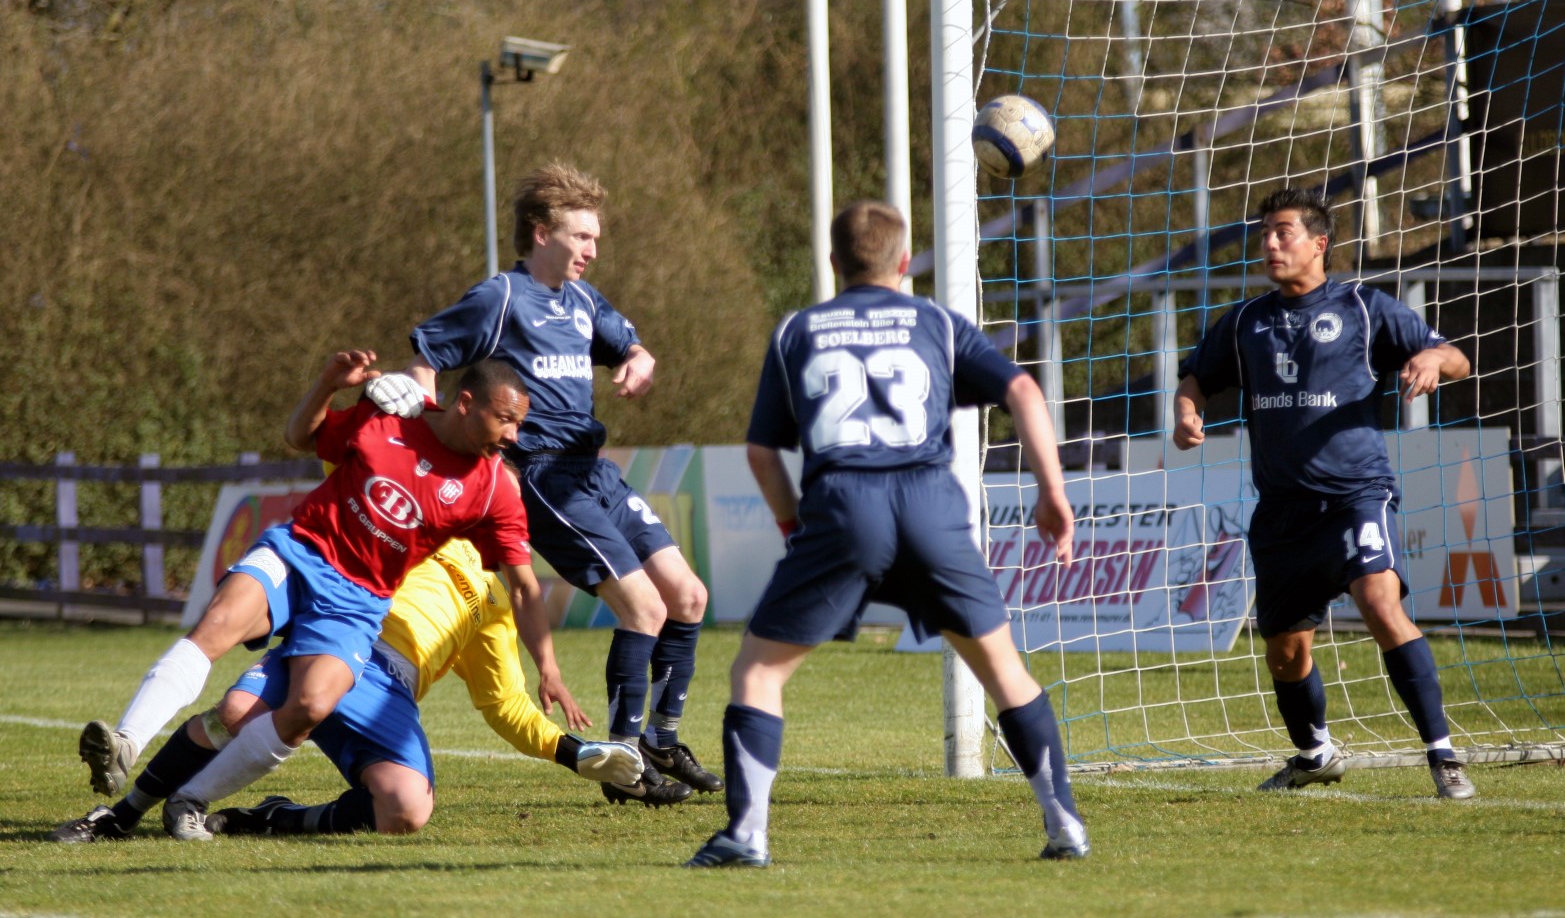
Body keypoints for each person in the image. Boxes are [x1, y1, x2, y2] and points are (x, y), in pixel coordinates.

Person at [686, 201, 1088, 869]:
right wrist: (1053, 491)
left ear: (833, 262)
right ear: (904, 262)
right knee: (1003, 670)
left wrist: (795, 529)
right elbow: (1021, 389)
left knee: (757, 670)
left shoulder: (798, 330)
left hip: (844, 505)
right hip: (931, 505)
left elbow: (761, 453)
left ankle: (747, 836)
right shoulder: (936, 321)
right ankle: (1064, 823)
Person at [75, 352, 582, 840]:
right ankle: (126, 743)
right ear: (466, 403)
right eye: (506, 420)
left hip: (357, 601)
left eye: (519, 424)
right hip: (301, 550)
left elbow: (523, 587)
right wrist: (328, 386)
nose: (513, 436)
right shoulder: (393, 415)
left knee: (311, 705)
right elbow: (301, 437)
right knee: (218, 627)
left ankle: (189, 801)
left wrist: (549, 668)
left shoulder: (494, 490)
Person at [366, 163, 718, 807]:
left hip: (595, 470)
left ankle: (663, 739)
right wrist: (430, 424)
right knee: (644, 609)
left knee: (689, 597)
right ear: (541, 233)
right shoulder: (501, 297)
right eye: (582, 237)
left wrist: (639, 359)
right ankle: (627, 763)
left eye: (596, 239)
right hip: (544, 477)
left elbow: (631, 346)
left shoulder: (583, 301)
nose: (592, 251)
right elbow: (426, 356)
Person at [1172, 187, 1476, 800]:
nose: (1269, 243)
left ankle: (1443, 755)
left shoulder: (1364, 307)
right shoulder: (1246, 322)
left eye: (1283, 232)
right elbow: (1195, 377)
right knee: (1286, 653)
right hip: (1283, 512)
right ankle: (1315, 756)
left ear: (1319, 243)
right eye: (1264, 233)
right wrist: (1185, 411)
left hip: (1355, 495)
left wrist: (1432, 361)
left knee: (1380, 603)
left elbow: (1456, 358)